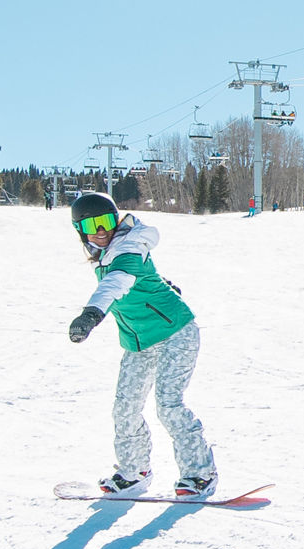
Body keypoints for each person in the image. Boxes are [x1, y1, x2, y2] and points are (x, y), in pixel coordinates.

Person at [65, 192, 221, 497]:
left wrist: (91, 315)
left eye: (107, 221)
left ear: (117, 221)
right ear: (80, 231)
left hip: (175, 332)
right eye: (92, 224)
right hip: (138, 343)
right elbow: (138, 275)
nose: (101, 230)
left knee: (168, 405)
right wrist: (161, 282)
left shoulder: (127, 249)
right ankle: (134, 472)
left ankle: (201, 473)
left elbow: (117, 282)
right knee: (125, 408)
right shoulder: (110, 253)